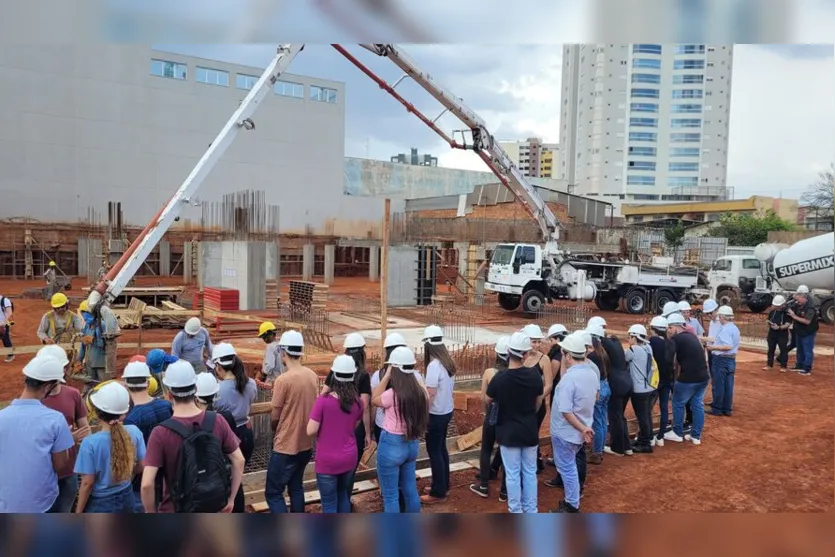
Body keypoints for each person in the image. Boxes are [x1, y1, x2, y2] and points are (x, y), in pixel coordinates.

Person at [141, 360, 244, 513]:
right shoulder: (218, 420)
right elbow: (239, 460)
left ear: (169, 394)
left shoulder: (160, 433)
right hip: (213, 506)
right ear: (195, 389)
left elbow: (147, 484)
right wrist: (230, 499)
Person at [0, 355, 74, 512]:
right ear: (48, 387)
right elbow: (60, 465)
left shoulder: (1, 417)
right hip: (42, 504)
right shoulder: (55, 420)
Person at [485, 332, 543, 514]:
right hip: (529, 430)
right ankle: (531, 510)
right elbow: (538, 402)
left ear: (508, 352)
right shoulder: (534, 376)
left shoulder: (499, 379)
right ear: (526, 354)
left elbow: (488, 399)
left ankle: (515, 510)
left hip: (508, 432)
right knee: (530, 472)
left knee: (512, 474)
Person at [266, 330, 319, 513]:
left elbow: (275, 415)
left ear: (283, 352)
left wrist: (275, 428)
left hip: (285, 447)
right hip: (305, 445)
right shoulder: (311, 375)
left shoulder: (283, 380)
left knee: (273, 493)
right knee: (296, 487)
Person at [372, 346, 429, 513]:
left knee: (391, 496)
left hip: (391, 445)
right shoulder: (419, 392)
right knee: (410, 491)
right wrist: (414, 376)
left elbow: (374, 399)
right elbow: (425, 394)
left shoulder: (392, 394)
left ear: (395, 369)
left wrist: (387, 374)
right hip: (411, 445)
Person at [74, 382, 146, 513]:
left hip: (101, 502)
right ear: (124, 413)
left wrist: (78, 512)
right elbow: (141, 466)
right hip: (127, 495)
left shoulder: (90, 443)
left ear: (96, 412)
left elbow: (87, 483)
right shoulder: (134, 432)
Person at [320, 332, 372, 508]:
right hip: (353, 427)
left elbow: (323, 394)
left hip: (332, 427)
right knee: (349, 470)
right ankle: (344, 503)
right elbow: (365, 406)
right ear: (362, 353)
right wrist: (368, 433)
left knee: (331, 469)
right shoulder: (364, 375)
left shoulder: (335, 372)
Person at [550, 332, 599, 513]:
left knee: (567, 468)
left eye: (564, 353)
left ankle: (572, 504)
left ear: (569, 356)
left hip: (567, 432)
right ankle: (571, 500)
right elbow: (595, 396)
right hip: (579, 431)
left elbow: (565, 411)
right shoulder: (591, 374)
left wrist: (582, 428)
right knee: (570, 465)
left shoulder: (569, 380)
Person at [308, 355, 364, 513]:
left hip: (327, 461)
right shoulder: (358, 402)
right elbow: (355, 424)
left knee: (329, 503)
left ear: (333, 375)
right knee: (342, 495)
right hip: (349, 457)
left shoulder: (323, 402)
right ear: (352, 376)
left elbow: (310, 430)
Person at [39, 345, 91, 512]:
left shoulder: (73, 394)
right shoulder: (34, 398)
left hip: (69, 471)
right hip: (41, 472)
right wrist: (67, 438)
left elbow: (86, 430)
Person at [211, 343, 256, 511]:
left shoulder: (218, 390)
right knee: (238, 475)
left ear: (218, 366)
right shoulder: (250, 383)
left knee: (229, 478)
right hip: (246, 433)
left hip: (228, 436)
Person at [123, 360, 173, 512]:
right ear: (147, 381)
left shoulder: (130, 419)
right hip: (168, 474)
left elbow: (132, 459)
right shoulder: (166, 406)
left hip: (144, 480)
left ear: (126, 384)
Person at [193, 372, 243, 512]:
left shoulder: (190, 423)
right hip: (224, 480)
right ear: (216, 395)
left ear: (195, 396)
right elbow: (238, 458)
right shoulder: (225, 417)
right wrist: (232, 497)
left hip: (202, 488)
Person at [469, 336, 509, 498]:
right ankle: (505, 491)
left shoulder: (489, 373)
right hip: (508, 417)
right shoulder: (515, 373)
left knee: (486, 449)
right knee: (507, 450)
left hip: (492, 415)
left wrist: (488, 412)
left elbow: (484, 397)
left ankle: (484, 485)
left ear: (496, 353)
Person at [420, 325, 456, 505]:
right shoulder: (448, 362)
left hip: (436, 414)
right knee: (441, 449)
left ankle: (438, 492)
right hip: (446, 411)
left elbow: (430, 394)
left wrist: (423, 416)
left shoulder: (434, 366)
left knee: (434, 451)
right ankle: (442, 483)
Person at [664, 313, 709, 445]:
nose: (668, 330)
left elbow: (668, 359)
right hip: (703, 377)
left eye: (669, 328)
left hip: (688, 378)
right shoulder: (691, 336)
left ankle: (677, 432)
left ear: (676, 327)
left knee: (678, 403)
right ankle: (696, 436)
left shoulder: (676, 339)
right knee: (697, 405)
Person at [591, 323, 630, 457]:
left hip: (615, 384)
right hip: (625, 381)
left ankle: (618, 448)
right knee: (618, 416)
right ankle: (626, 446)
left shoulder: (601, 348)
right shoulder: (614, 342)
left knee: (614, 416)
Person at [520, 323, 552, 474]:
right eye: (534, 341)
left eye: (539, 341)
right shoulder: (520, 357)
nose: (537, 345)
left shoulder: (544, 359)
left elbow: (549, 384)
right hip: (522, 403)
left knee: (533, 433)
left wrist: (539, 398)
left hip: (537, 405)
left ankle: (535, 461)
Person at [370, 332, 408, 442]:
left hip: (383, 426)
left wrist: (371, 427)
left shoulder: (379, 375)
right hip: (407, 427)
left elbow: (374, 403)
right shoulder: (414, 376)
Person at [624, 324, 656, 454]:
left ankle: (645, 444)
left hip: (639, 390)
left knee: (642, 416)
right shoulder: (648, 347)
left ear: (634, 337)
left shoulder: (634, 349)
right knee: (646, 415)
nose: (628, 339)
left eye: (629, 336)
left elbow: (624, 358)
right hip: (649, 387)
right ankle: (645, 438)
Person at [706, 306, 740, 417]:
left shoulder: (725, 329)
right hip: (731, 359)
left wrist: (713, 348)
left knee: (719, 384)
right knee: (728, 385)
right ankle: (727, 408)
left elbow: (728, 346)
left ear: (722, 317)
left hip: (721, 359)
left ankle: (717, 408)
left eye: (719, 317)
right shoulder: (734, 328)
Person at [76, 299, 120, 385]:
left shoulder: (102, 325)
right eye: (83, 313)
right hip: (90, 362)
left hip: (101, 363)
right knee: (89, 385)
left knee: (103, 385)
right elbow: (83, 345)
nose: (85, 316)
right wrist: (79, 360)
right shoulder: (87, 326)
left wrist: (92, 340)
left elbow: (104, 345)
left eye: (87, 313)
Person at [648, 316, 672, 446]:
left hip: (655, 380)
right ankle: (661, 436)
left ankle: (649, 436)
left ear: (654, 329)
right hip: (667, 379)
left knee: (648, 408)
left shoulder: (652, 341)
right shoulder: (670, 342)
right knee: (664, 408)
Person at [787, 285, 818, 376]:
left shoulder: (810, 307)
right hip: (799, 330)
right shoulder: (799, 303)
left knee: (807, 349)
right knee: (799, 349)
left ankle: (807, 368)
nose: (797, 302)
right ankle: (799, 365)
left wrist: (794, 316)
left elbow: (807, 321)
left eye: (798, 300)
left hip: (808, 331)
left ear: (803, 297)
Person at [764, 295, 791, 372]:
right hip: (772, 333)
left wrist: (779, 327)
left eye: (779, 305)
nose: (777, 307)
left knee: (783, 350)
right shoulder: (773, 312)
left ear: (783, 304)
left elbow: (787, 324)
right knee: (771, 349)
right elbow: (769, 320)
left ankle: (783, 366)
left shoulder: (787, 313)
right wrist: (770, 324)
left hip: (782, 334)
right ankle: (769, 365)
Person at [0, 292, 14, 363]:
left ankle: (11, 354)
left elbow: (9, 312)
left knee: (5, 340)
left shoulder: (5, 300)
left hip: (3, 324)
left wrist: (3, 323)